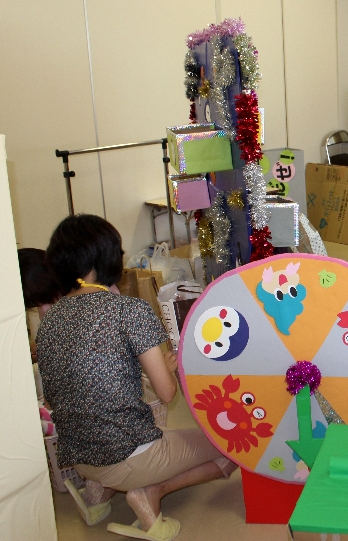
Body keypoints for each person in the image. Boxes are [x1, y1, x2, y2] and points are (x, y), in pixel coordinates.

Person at [37, 215, 235, 541]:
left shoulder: (50, 319)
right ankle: (151, 492)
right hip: (127, 456)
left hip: (79, 458)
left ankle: (98, 496)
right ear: (106, 259)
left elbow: (60, 394)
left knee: (120, 424)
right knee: (232, 446)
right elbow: (166, 394)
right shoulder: (129, 310)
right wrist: (167, 370)